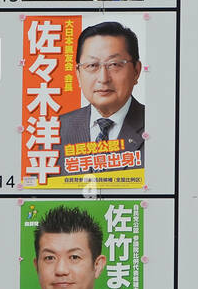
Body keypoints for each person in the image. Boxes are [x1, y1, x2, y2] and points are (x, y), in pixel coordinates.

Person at [53, 21, 145, 177]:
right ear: (78, 74)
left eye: (114, 64)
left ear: (136, 71)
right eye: (92, 65)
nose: (103, 78)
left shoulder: (161, 128)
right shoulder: (53, 131)